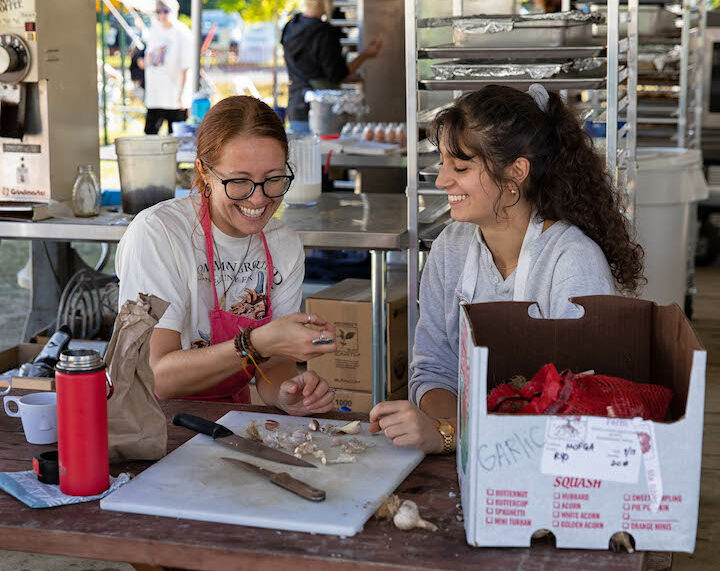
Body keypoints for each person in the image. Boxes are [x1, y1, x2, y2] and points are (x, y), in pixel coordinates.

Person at [369, 84, 645, 452]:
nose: (441, 180)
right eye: (442, 164)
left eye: (461, 167)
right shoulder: (450, 249)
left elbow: (581, 405)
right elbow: (434, 369)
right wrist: (453, 433)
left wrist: (452, 435)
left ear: (516, 172)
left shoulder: (572, 262)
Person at [116, 95, 337, 416]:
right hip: (150, 421)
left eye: (274, 179)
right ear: (204, 172)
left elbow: (273, 367)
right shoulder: (159, 233)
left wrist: (289, 393)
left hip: (229, 417)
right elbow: (158, 378)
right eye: (239, 181)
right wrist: (257, 342)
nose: (259, 198)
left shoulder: (283, 245)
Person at [281, 0, 382, 134]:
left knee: (303, 153)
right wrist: (365, 55)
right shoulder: (324, 32)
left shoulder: (290, 26)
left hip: (295, 107)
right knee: (325, 154)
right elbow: (338, 75)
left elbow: (307, 69)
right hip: (322, 113)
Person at [140, 0, 192, 135]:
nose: (162, 15)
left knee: (176, 139)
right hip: (155, 97)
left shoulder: (183, 33)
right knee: (150, 135)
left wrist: (183, 95)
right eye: (158, 12)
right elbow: (148, 58)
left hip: (174, 98)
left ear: (175, 11)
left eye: (165, 11)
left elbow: (187, 67)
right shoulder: (154, 30)